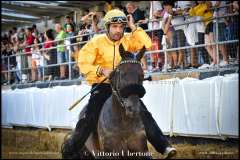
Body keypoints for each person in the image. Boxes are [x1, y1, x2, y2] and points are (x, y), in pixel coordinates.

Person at [61, 9, 176, 159]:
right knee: (89, 120)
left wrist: (133, 27)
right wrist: (101, 70)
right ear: (107, 27)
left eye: (121, 27)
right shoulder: (96, 41)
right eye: (115, 27)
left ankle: (164, 146)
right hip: (102, 86)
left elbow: (147, 44)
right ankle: (71, 149)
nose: (118, 30)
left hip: (124, 87)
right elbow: (82, 63)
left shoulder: (128, 39)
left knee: (144, 113)